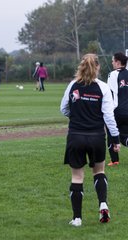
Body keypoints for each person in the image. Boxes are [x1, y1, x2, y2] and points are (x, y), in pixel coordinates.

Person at [60, 53, 120, 227]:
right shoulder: (102, 87)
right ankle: (103, 204)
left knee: (77, 177)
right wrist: (115, 139)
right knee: (99, 172)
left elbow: (63, 109)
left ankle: (77, 219)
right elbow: (109, 117)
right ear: (98, 67)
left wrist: (77, 115)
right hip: (96, 137)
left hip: (75, 136)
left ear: (81, 66)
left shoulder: (72, 85)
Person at [106, 52, 128, 166]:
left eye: (113, 60)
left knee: (111, 133)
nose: (112, 62)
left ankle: (114, 160)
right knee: (125, 135)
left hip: (117, 110)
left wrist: (109, 110)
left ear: (118, 62)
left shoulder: (113, 74)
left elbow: (111, 93)